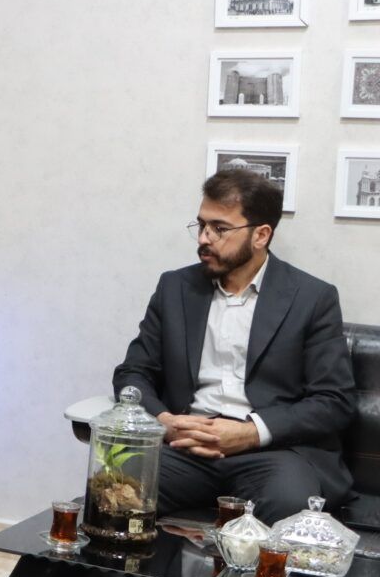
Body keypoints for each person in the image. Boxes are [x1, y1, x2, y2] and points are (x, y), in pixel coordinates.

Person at [114, 168, 357, 523]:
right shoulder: (175, 288)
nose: (204, 238)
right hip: (185, 447)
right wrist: (165, 422)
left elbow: (334, 400)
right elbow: (133, 373)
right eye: (201, 225)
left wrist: (250, 432)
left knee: (290, 506)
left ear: (261, 235)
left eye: (220, 228)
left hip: (271, 452)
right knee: (114, 491)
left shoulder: (312, 298)